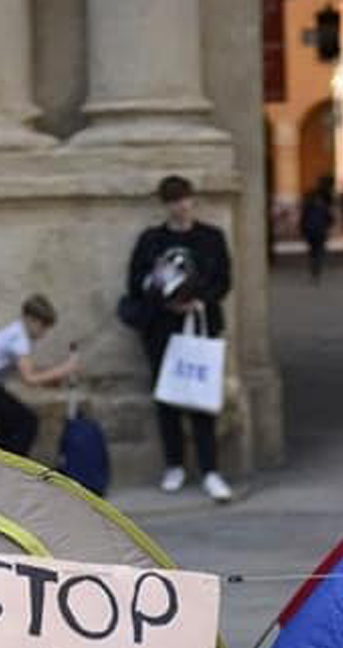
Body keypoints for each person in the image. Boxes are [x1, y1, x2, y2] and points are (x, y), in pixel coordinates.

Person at [125, 174, 235, 502]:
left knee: (202, 399)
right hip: (161, 328)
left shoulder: (211, 238)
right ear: (165, 205)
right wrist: (165, 299)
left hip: (200, 326)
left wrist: (200, 300)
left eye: (184, 198)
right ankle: (174, 465)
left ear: (193, 200)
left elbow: (224, 280)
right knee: (167, 399)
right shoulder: (151, 241)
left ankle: (211, 470)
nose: (180, 206)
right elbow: (135, 282)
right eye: (173, 200)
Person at [0, 294, 79, 458]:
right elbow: (30, 379)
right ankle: (9, 468)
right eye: (42, 326)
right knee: (26, 424)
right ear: (29, 319)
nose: (43, 333)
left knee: (14, 427)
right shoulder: (19, 338)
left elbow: (26, 371)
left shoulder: (17, 332)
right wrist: (66, 368)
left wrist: (51, 380)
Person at [299, 179, 333, 283]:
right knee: (318, 252)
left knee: (313, 252)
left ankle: (315, 269)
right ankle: (316, 269)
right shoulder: (323, 207)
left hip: (312, 231)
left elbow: (303, 219)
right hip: (319, 232)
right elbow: (330, 219)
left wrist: (303, 230)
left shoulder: (309, 207)